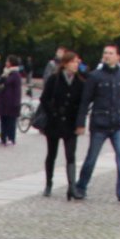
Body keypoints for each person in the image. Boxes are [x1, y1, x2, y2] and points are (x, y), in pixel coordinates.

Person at [73, 43, 120, 202]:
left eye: (110, 53)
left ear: (118, 56)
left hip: (119, 124)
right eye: (105, 53)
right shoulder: (95, 76)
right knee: (91, 158)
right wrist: (80, 123)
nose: (107, 55)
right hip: (100, 124)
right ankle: (81, 187)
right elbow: (85, 101)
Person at [40, 49, 85, 197]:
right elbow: (44, 99)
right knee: (51, 154)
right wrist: (53, 113)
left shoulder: (80, 82)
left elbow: (82, 105)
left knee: (70, 155)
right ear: (65, 64)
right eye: (73, 62)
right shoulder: (55, 79)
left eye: (77, 62)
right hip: (54, 122)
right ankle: (48, 183)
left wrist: (80, 123)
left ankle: (71, 187)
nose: (76, 64)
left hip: (70, 124)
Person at [0, 55, 23, 145]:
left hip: (11, 102)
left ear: (12, 63)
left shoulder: (15, 74)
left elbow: (17, 90)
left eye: (8, 61)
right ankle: (3, 138)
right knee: (3, 120)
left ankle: (11, 138)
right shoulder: (6, 73)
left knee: (11, 121)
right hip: (3, 101)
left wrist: (16, 103)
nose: (6, 63)